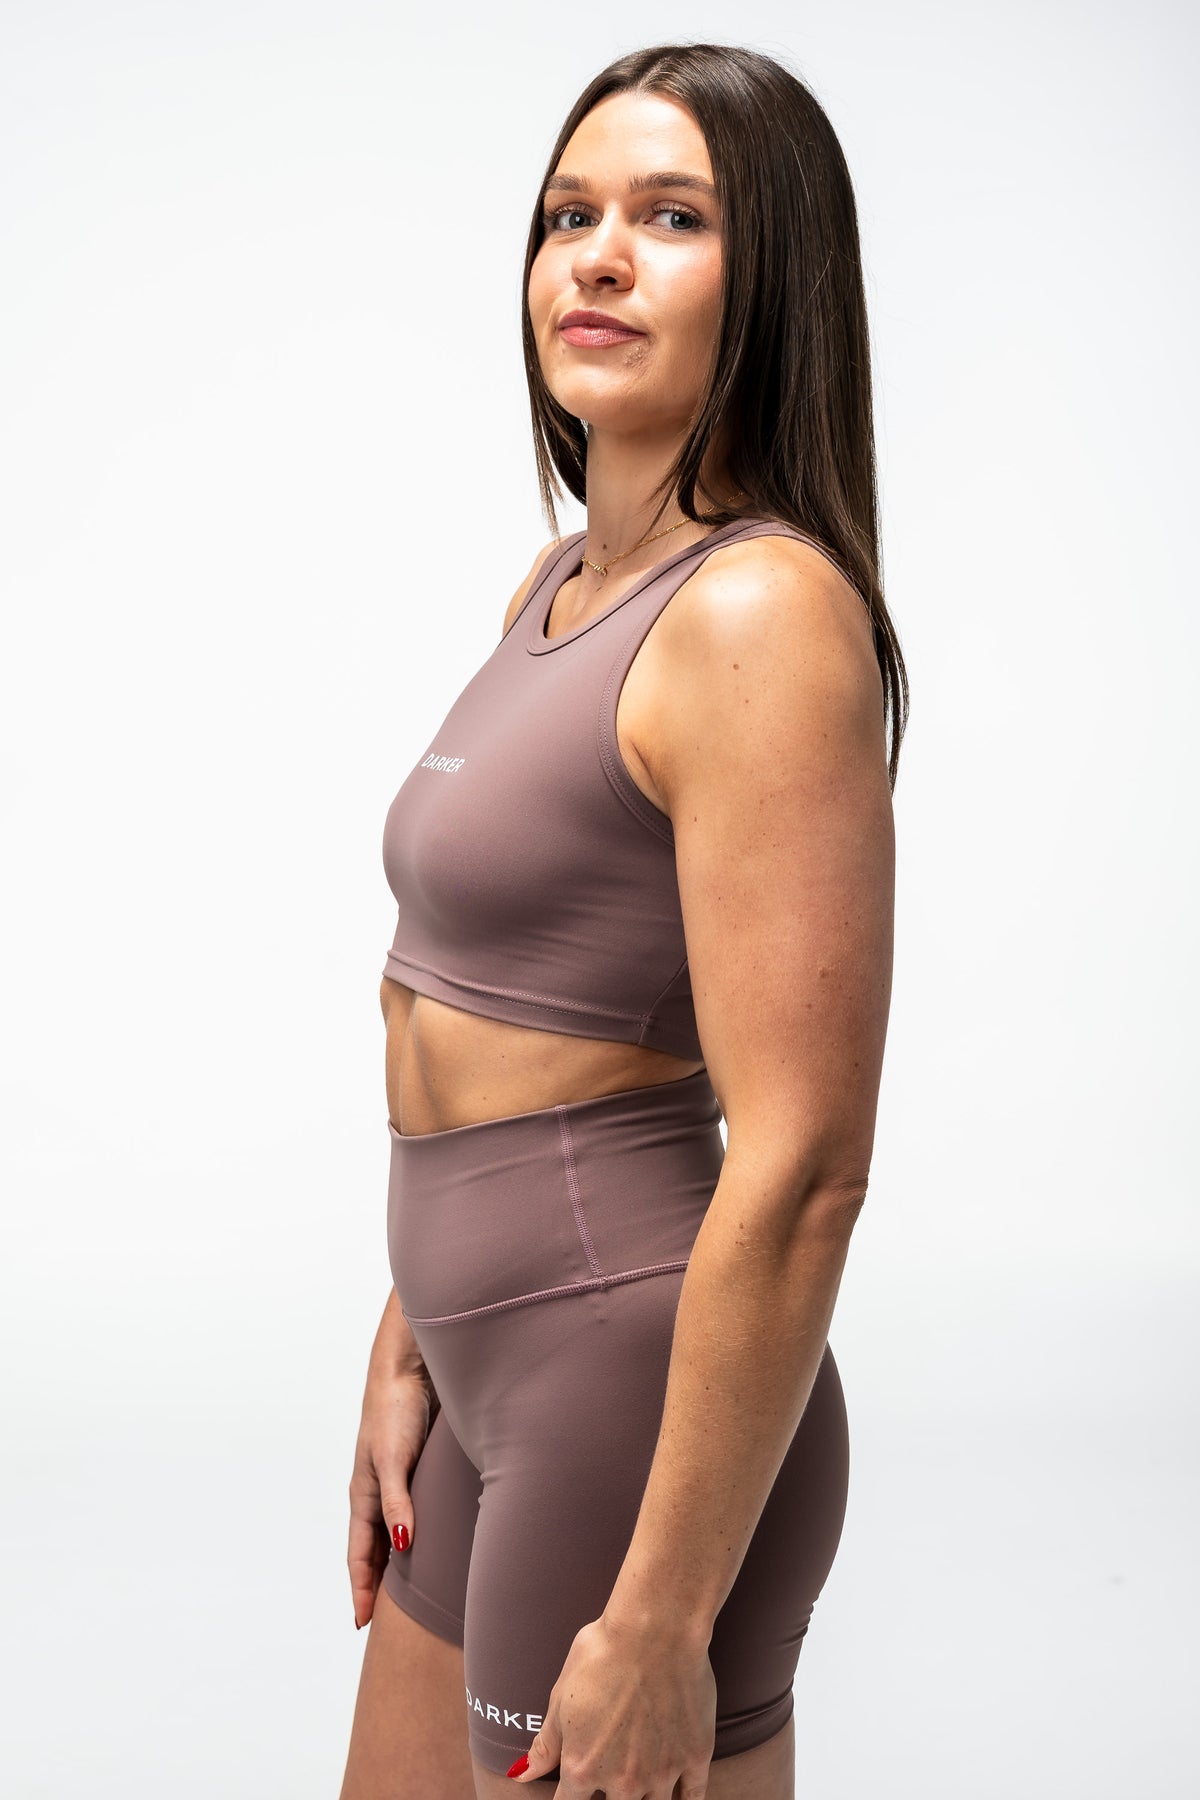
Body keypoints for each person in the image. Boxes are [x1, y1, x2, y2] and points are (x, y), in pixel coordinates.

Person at [339, 39, 906, 1800]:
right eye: (568, 214)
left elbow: (806, 1160)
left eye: (672, 217)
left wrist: (665, 1614)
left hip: (630, 1407)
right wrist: (411, 1334)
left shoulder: (757, 615)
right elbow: (489, 1003)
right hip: (485, 1373)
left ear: (776, 277)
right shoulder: (561, 584)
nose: (596, 257)